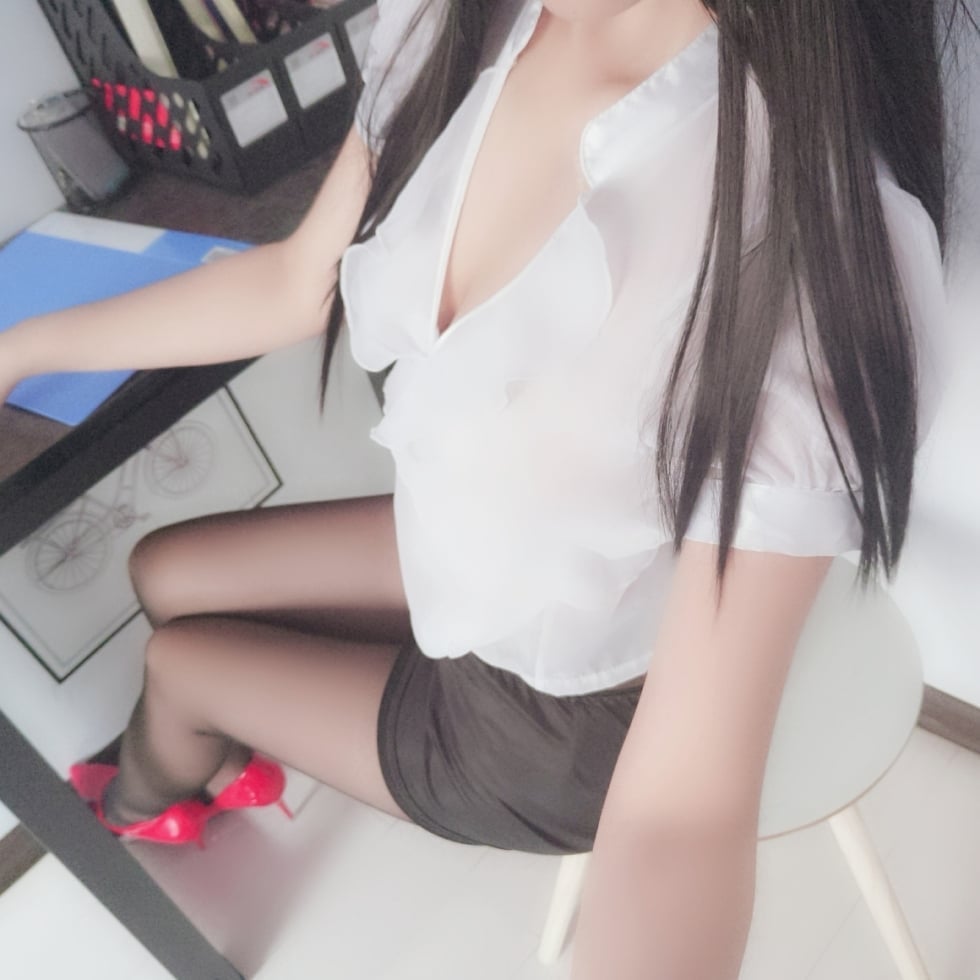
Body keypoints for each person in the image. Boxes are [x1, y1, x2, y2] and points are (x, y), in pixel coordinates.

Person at [0, 0, 965, 976]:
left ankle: (140, 806)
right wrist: (19, 350)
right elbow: (297, 281)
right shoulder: (448, 24)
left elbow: (679, 814)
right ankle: (213, 756)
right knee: (164, 570)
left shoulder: (808, 239)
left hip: (569, 710)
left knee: (176, 665)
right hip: (474, 556)